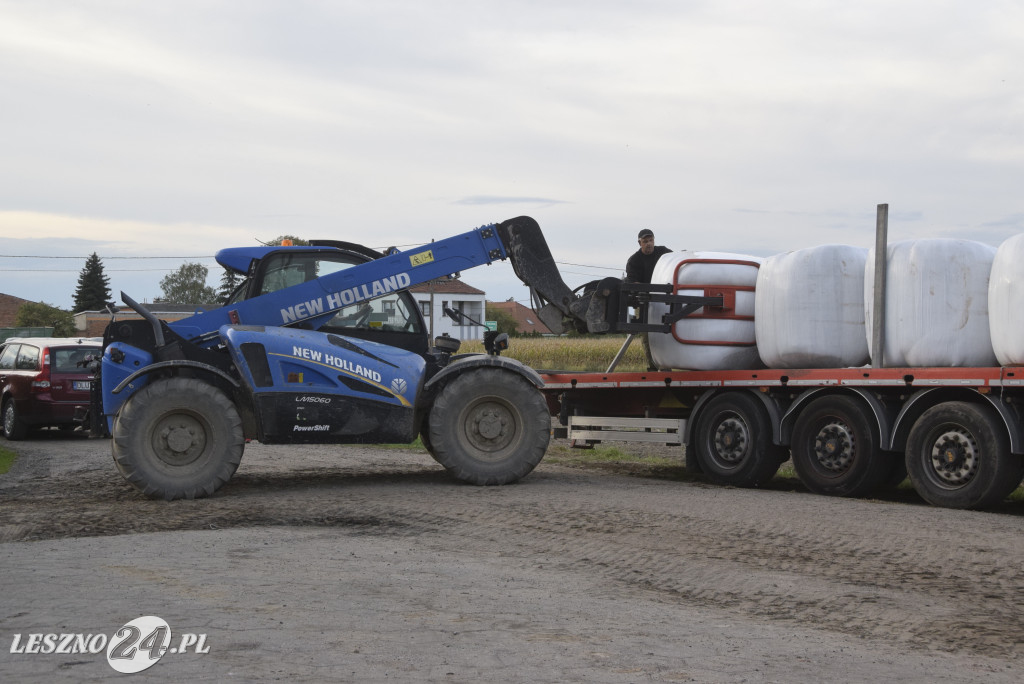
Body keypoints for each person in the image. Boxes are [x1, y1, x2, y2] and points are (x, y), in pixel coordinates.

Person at [624, 229, 671, 370]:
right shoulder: (634, 261)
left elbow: (675, 262)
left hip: (664, 302)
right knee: (646, 336)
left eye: (651, 240)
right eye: (645, 241)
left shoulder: (664, 253)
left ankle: (666, 367)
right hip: (643, 303)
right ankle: (653, 367)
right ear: (640, 243)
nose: (649, 244)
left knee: (666, 333)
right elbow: (632, 283)